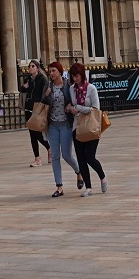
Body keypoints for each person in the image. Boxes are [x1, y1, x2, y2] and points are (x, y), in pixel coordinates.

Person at [42, 61, 81, 197]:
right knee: (55, 156)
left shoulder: (67, 86)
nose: (51, 74)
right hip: (52, 125)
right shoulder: (48, 86)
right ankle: (59, 186)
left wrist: (69, 106)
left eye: (53, 71)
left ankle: (78, 171)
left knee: (66, 155)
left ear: (59, 71)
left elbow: (74, 101)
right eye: (50, 71)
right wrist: (46, 95)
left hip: (65, 124)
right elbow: (42, 104)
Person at [67, 62, 107, 196]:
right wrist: (71, 109)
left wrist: (78, 108)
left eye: (77, 76)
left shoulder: (91, 89)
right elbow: (72, 105)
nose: (75, 79)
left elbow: (95, 109)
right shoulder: (72, 89)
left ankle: (102, 177)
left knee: (90, 157)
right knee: (81, 158)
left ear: (82, 75)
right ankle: (88, 187)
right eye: (73, 76)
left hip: (91, 126)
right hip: (77, 127)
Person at [22, 61, 51, 167]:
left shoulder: (42, 79)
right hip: (28, 108)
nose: (30, 68)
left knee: (37, 133)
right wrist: (24, 87)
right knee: (32, 135)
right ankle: (37, 158)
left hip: (37, 108)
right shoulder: (28, 79)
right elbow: (23, 91)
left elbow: (44, 94)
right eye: (29, 66)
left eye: (32, 66)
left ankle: (49, 148)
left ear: (37, 68)